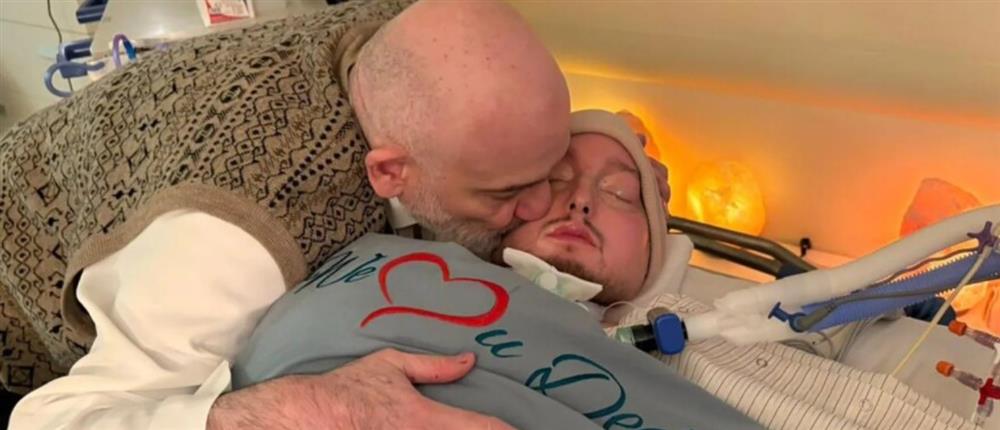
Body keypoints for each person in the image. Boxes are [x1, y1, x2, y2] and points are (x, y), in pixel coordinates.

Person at [6, 1, 584, 428]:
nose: (541, 206)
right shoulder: (233, 243)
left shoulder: (416, 31)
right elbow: (56, 420)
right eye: (507, 193)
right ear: (390, 173)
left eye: (555, 172)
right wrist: (306, 410)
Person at [226, 109, 762, 429]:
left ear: (654, 252)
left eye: (620, 192)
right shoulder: (386, 250)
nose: (579, 200)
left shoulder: (715, 344)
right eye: (554, 178)